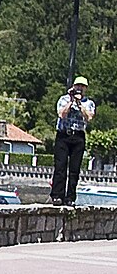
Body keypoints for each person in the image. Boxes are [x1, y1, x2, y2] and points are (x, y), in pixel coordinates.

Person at [51, 76, 96, 205]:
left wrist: (80, 103)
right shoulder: (63, 99)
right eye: (77, 86)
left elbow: (89, 117)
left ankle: (70, 197)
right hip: (63, 135)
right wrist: (71, 101)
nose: (79, 89)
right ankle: (57, 196)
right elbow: (61, 114)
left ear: (85, 88)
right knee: (60, 166)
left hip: (78, 137)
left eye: (82, 86)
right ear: (73, 86)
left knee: (74, 169)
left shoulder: (89, 103)